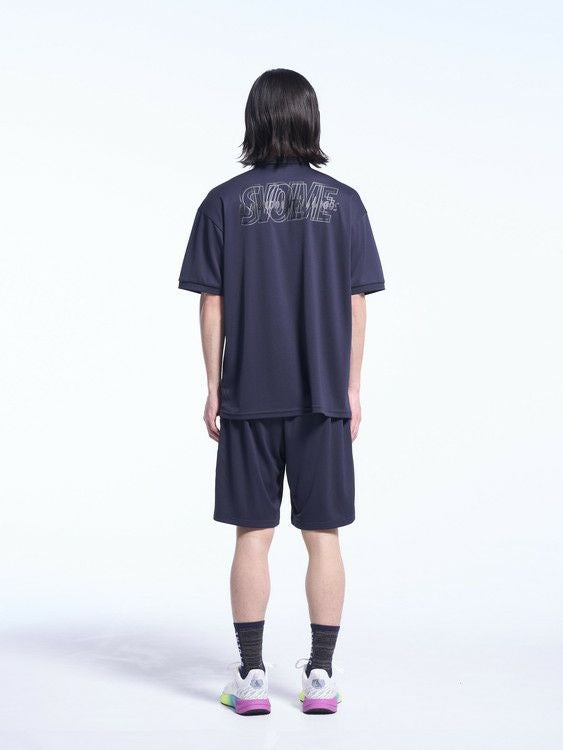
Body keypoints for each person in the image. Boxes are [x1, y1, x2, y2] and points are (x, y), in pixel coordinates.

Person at [178, 68, 385, 715]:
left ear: (255, 120)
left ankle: (251, 678)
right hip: (322, 395)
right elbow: (356, 302)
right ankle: (320, 678)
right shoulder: (345, 203)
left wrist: (214, 386)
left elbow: (211, 302)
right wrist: (350, 387)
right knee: (323, 535)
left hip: (249, 393)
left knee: (253, 534)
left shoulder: (223, 202)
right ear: (308, 118)